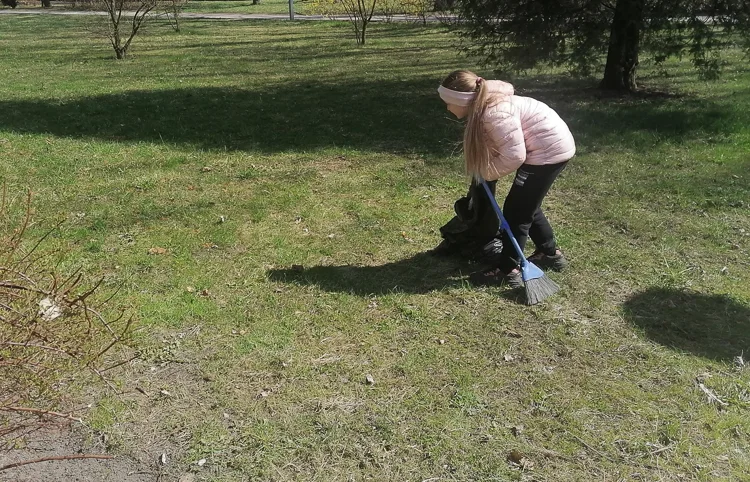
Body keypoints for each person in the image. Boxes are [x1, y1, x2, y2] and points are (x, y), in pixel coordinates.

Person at [437, 70, 575, 287]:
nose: (447, 107)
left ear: (463, 101)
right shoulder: (486, 107)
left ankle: (508, 269)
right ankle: (550, 253)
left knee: (516, 213)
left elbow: (514, 155)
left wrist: (487, 173)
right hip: (549, 147)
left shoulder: (494, 113)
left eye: (448, 102)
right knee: (528, 205)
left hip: (547, 153)